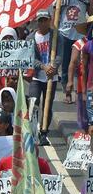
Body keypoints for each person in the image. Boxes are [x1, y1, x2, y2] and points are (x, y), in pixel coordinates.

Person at [29, 9, 58, 146]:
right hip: (36, 77)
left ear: (49, 20)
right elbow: (30, 58)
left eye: (45, 20)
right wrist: (43, 67)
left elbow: (60, 55)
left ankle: (44, 132)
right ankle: (32, 130)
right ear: (37, 22)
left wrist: (54, 66)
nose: (42, 23)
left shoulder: (55, 36)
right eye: (40, 20)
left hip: (52, 78)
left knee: (48, 106)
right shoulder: (31, 38)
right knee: (33, 103)